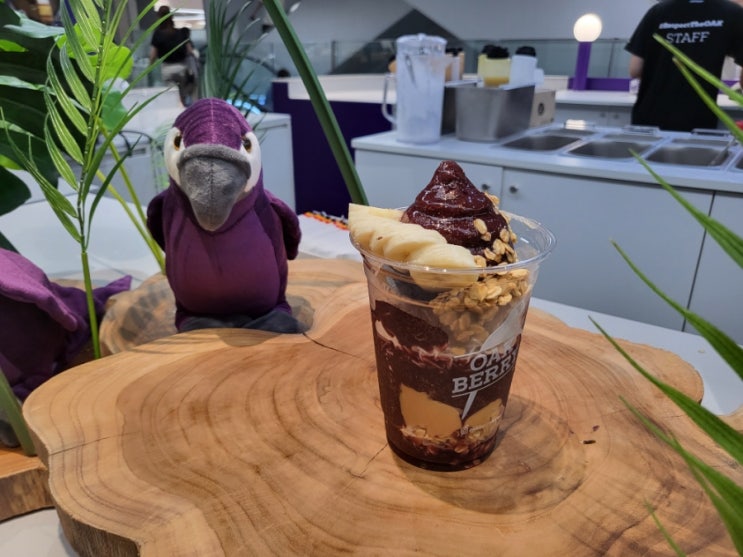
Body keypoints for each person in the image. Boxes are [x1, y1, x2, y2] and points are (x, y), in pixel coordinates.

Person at [626, 0, 743, 131]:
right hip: (696, 120)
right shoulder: (732, 12)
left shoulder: (658, 11)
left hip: (648, 117)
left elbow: (635, 69)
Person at [150, 5, 198, 107]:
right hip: (182, 68)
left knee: (174, 97)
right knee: (185, 94)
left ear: (159, 17)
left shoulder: (157, 34)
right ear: (171, 16)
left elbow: (153, 55)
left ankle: (180, 109)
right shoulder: (180, 33)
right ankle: (188, 107)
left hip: (167, 70)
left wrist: (149, 66)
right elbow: (190, 51)